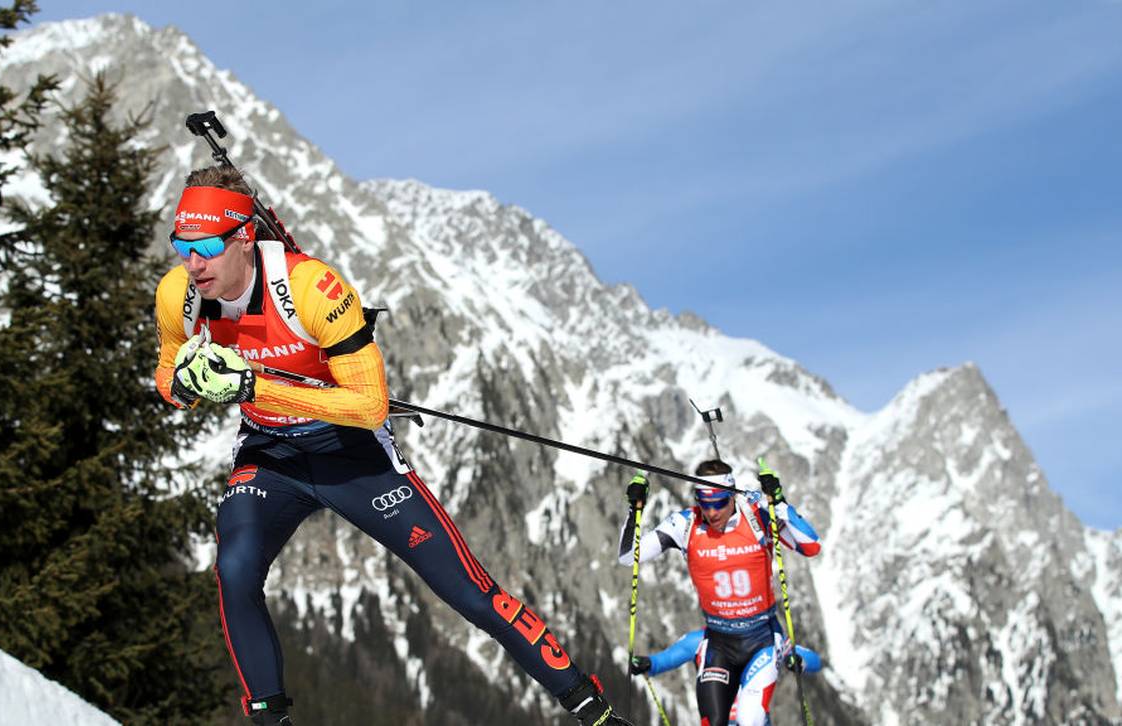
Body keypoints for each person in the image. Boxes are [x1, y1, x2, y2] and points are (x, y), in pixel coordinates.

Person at [154, 166, 632, 725]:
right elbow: (167, 378)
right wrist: (186, 385)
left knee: (470, 593)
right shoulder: (180, 294)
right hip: (271, 454)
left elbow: (369, 405)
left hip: (351, 453)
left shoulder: (311, 287)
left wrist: (255, 385)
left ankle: (591, 708)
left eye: (206, 247)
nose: (193, 263)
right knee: (235, 569)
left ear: (243, 237)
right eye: (182, 246)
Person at [616, 460, 820, 726]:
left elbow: (811, 546)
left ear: (733, 494)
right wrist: (635, 509)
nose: (712, 512)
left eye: (719, 502)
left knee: (749, 719)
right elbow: (629, 556)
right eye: (704, 502)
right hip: (719, 642)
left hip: (762, 640)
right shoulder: (686, 524)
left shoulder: (757, 515)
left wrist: (779, 504)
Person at [629, 628, 822, 726]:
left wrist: (799, 661)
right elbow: (667, 659)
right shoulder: (701, 640)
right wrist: (647, 663)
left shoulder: (767, 637)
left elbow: (814, 660)